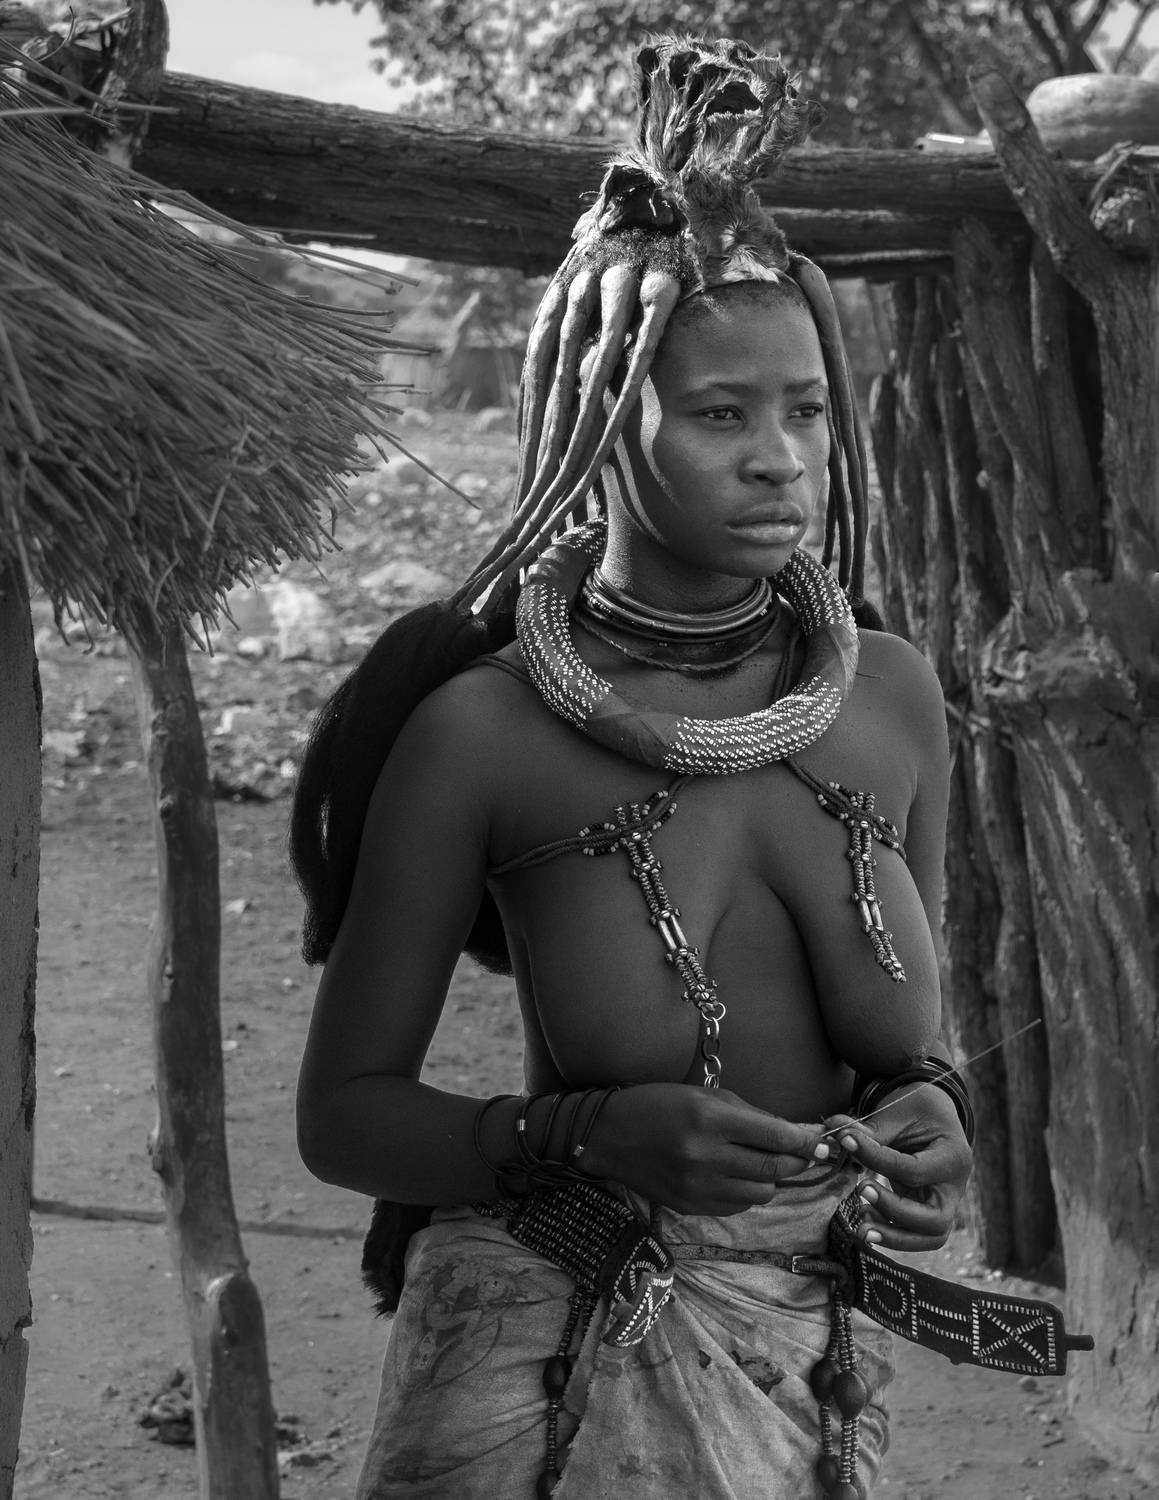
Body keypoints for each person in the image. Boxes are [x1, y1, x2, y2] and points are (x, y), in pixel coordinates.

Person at [292, 37, 976, 1500]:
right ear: (609, 423)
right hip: (556, 1359)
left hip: (814, 1356)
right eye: (723, 413)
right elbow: (344, 1117)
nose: (782, 459)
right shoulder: (486, 733)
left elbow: (915, 1041)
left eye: (805, 409)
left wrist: (934, 1105)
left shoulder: (891, 698)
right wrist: (590, 1136)